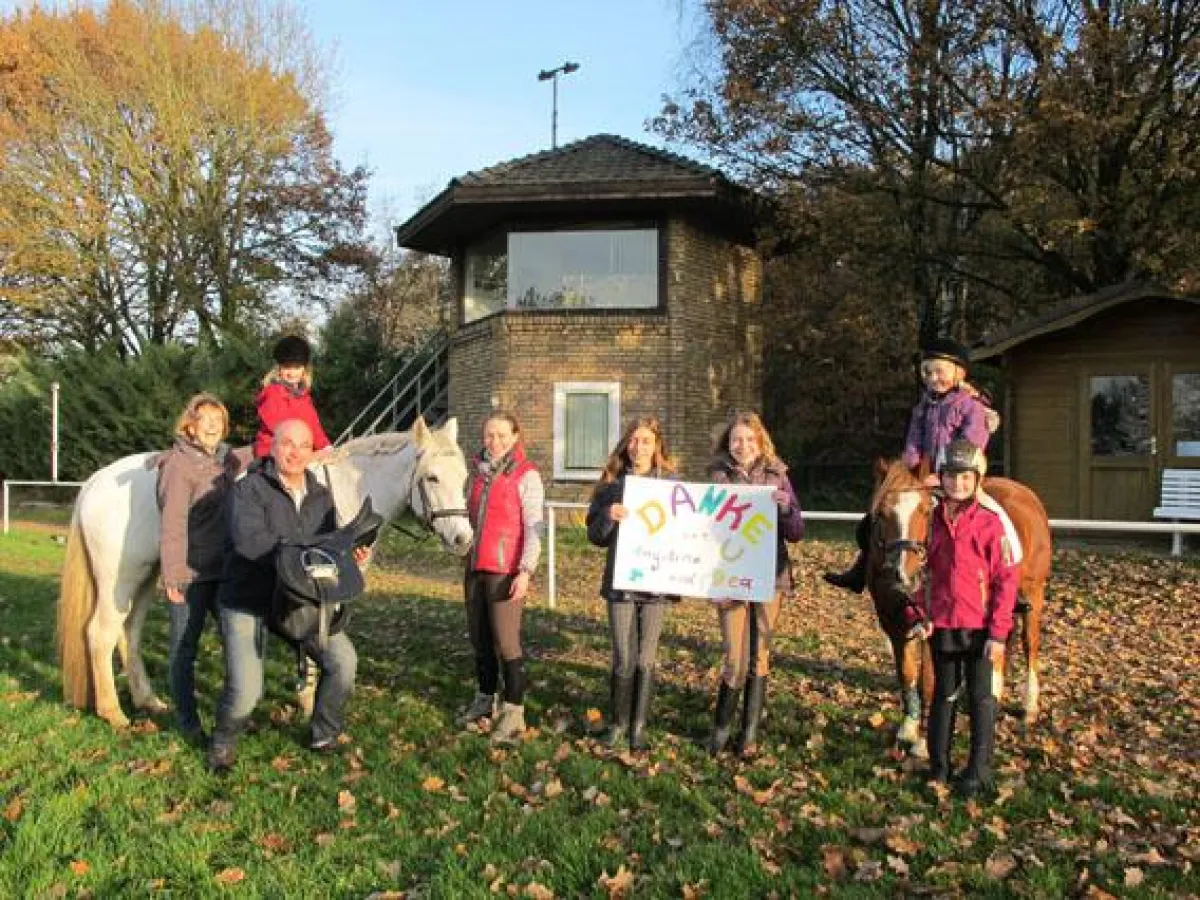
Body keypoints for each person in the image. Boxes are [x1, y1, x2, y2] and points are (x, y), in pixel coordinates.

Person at [207, 419, 368, 773]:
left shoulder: (321, 495)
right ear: (273, 447)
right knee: (247, 690)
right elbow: (251, 542)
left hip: (296, 599)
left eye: (303, 445)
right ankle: (223, 742)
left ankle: (324, 733)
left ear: (312, 452)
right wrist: (302, 553)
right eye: (287, 443)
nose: (295, 452)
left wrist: (347, 552)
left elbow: (326, 546)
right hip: (247, 597)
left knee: (344, 662)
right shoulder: (248, 489)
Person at [824, 337, 993, 593]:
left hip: (961, 476)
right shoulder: (922, 408)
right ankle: (862, 569)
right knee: (881, 516)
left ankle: (1000, 573)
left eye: (940, 371)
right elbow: (913, 442)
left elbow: (970, 445)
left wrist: (945, 474)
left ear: (959, 374)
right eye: (928, 372)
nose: (933, 378)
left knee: (991, 514)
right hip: (922, 476)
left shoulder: (971, 408)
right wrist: (907, 470)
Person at [904, 440, 1018, 798]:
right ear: (943, 478)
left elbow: (1005, 579)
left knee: (981, 699)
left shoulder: (990, 523)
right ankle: (940, 766)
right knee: (943, 696)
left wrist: (998, 633)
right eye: (952, 477)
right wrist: (920, 613)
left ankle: (978, 770)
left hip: (981, 628)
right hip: (943, 625)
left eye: (966, 477)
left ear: (977, 478)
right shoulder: (932, 522)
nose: (958, 484)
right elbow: (920, 574)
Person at [706, 411, 805, 758]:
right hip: (730, 576)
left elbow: (796, 533)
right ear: (727, 443)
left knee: (759, 657)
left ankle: (748, 735)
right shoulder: (717, 476)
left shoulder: (778, 475)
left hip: (769, 576)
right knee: (734, 656)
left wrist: (787, 508)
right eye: (736, 439)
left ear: (760, 441)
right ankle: (721, 728)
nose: (742, 445)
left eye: (749, 439)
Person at [156, 393, 249, 743]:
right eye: (205, 418)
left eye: (218, 419)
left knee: (235, 644)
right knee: (184, 649)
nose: (212, 425)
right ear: (190, 425)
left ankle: (232, 713)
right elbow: (172, 525)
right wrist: (174, 575)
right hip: (191, 575)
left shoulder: (225, 459)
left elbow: (254, 451)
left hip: (224, 571)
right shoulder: (178, 466)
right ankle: (188, 722)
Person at [586, 417, 678, 751]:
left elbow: (684, 533)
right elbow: (594, 535)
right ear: (627, 445)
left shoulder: (672, 486)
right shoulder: (611, 484)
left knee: (646, 658)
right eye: (634, 440)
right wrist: (608, 517)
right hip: (621, 584)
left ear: (657, 447)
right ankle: (618, 723)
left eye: (647, 441)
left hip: (656, 585)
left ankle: (639, 726)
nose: (639, 447)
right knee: (623, 656)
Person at [458, 411, 544, 745]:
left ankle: (513, 712)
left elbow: (535, 526)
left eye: (502, 435)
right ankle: (483, 701)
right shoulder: (477, 475)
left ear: (515, 436)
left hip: (505, 570)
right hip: (475, 567)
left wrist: (525, 570)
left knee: (506, 642)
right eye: (489, 435)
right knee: (479, 640)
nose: (495, 441)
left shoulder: (526, 475)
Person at [253, 335, 331, 460]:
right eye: (287, 367)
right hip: (273, 451)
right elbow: (280, 428)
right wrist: (304, 450)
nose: (292, 373)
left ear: (304, 369)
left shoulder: (304, 396)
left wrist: (325, 446)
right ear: (279, 368)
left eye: (297, 367)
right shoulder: (272, 392)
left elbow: (314, 425)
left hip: (299, 449)